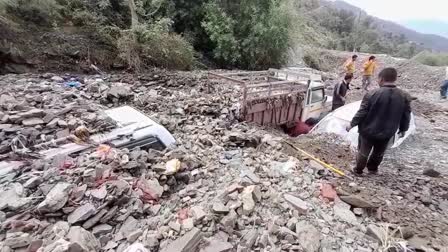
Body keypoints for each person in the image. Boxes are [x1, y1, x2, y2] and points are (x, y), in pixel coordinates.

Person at [347, 68, 411, 176]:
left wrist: (352, 124)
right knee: (379, 152)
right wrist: (403, 129)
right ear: (395, 79)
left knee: (363, 151)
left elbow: (362, 112)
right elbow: (406, 115)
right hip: (387, 132)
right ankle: (373, 169)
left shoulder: (372, 93)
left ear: (381, 79)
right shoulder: (404, 96)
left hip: (368, 130)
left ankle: (358, 170)